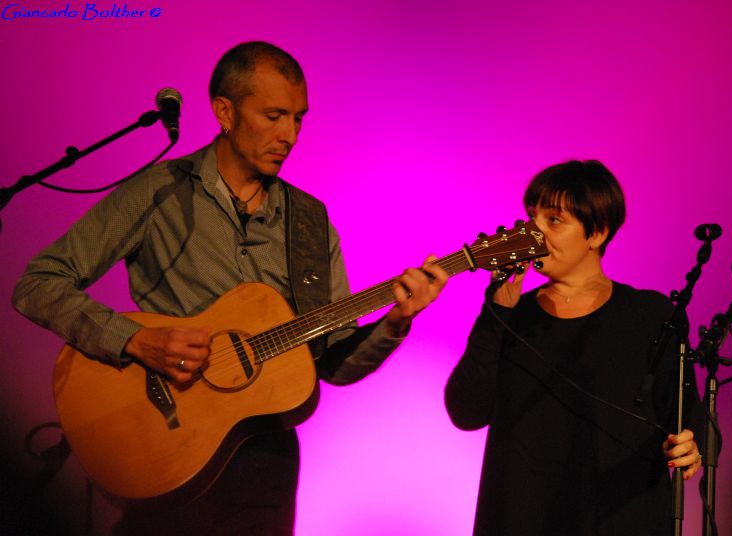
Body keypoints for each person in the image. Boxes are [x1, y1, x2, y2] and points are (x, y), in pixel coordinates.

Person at [12, 41, 448, 535]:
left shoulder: (309, 220)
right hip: (166, 447)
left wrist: (395, 322)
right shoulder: (158, 191)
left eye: (299, 119)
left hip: (266, 463)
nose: (289, 134)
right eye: (273, 115)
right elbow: (38, 284)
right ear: (225, 111)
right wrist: (135, 339)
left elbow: (333, 366)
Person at [445, 160, 704, 535]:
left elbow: (684, 411)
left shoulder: (650, 314)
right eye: (532, 217)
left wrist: (692, 444)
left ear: (596, 233)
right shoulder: (510, 315)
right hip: (522, 517)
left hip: (619, 517)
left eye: (554, 220)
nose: (534, 231)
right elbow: (466, 411)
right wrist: (498, 306)